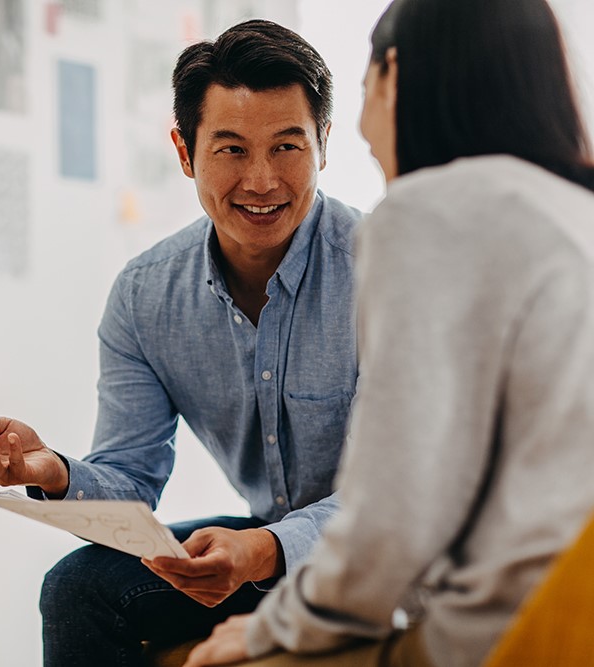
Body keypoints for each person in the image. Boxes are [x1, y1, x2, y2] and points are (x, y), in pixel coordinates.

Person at [0, 20, 363, 666]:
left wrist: (268, 548)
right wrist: (51, 470)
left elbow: (407, 497)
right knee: (77, 588)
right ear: (185, 152)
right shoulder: (145, 296)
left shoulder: (388, 271)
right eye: (230, 150)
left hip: (385, 554)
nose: (262, 179)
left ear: (323, 146)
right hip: (271, 553)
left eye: (286, 146)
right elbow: (131, 482)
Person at [184, 1, 594, 666]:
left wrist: (267, 630)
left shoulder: (423, 214)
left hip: (516, 631)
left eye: (289, 144)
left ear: (392, 72)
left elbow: (391, 523)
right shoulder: (576, 209)